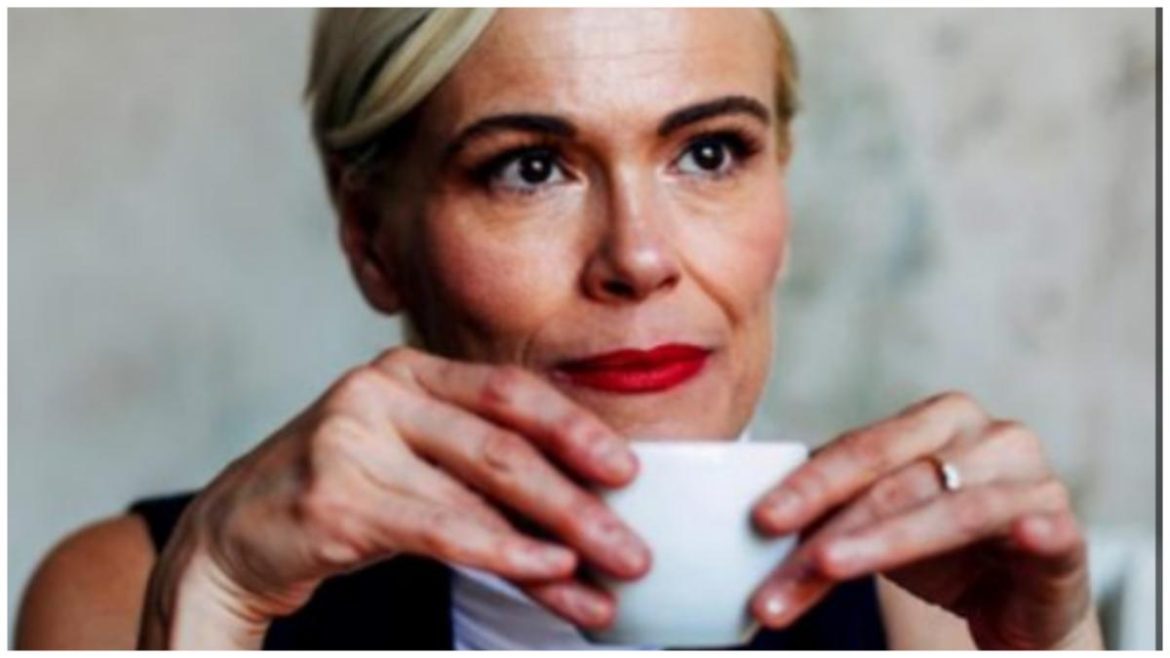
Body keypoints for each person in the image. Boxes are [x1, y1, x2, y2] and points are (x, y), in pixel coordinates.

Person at [16, 8, 1103, 650]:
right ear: (371, 236)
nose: (638, 255)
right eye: (530, 168)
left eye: (709, 153)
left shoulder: (927, 605)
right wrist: (211, 609)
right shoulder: (127, 592)